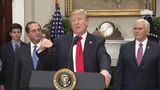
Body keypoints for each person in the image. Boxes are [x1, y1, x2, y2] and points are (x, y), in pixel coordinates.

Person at [38, 9, 112, 88]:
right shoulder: (61, 41)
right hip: (66, 85)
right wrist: (42, 50)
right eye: (73, 20)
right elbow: (51, 62)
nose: (76, 22)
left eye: (79, 19)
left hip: (90, 84)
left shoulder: (97, 41)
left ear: (87, 22)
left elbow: (104, 56)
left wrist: (105, 69)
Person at [113, 18, 160, 90]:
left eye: (140, 29)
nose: (137, 31)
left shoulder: (157, 48)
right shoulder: (125, 48)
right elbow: (119, 72)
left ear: (147, 31)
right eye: (135, 29)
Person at [12, 21, 44, 90]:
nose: (37, 32)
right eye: (33, 31)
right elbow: (16, 74)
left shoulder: (49, 49)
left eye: (39, 30)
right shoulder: (20, 51)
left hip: (44, 87)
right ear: (27, 34)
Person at [0, 23, 26, 90]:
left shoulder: (26, 47)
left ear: (21, 33)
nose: (16, 34)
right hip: (8, 81)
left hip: (23, 81)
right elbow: (2, 66)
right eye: (14, 32)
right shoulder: (4, 48)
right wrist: (1, 83)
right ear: (10, 33)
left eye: (18, 32)